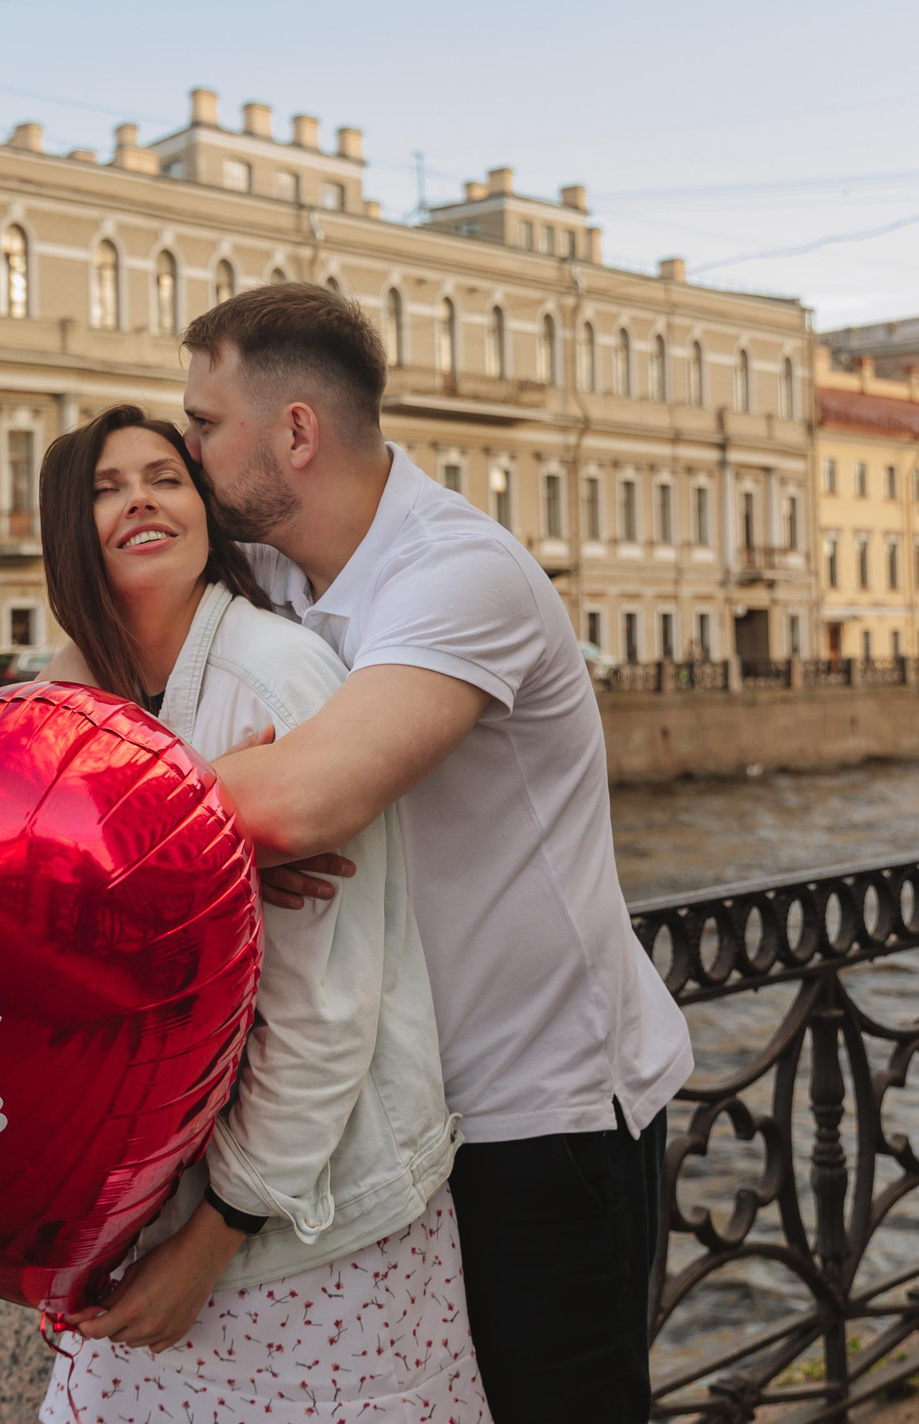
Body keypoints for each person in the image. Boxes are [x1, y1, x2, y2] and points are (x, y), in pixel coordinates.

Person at [176, 286, 692, 1423]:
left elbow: (305, 801)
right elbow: (110, 658)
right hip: (403, 1115)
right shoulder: (271, 576)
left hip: (539, 1115)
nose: (189, 453)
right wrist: (233, 830)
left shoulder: (460, 573)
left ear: (294, 433)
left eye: (205, 426)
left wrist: (242, 819)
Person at [34, 403, 482, 1422]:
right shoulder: (66, 707)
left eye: (165, 475)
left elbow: (327, 1015)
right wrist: (194, 856)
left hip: (300, 1231)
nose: (141, 497)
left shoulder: (274, 677)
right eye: (105, 486)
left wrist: (211, 1240)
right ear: (68, 527)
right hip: (150, 1222)